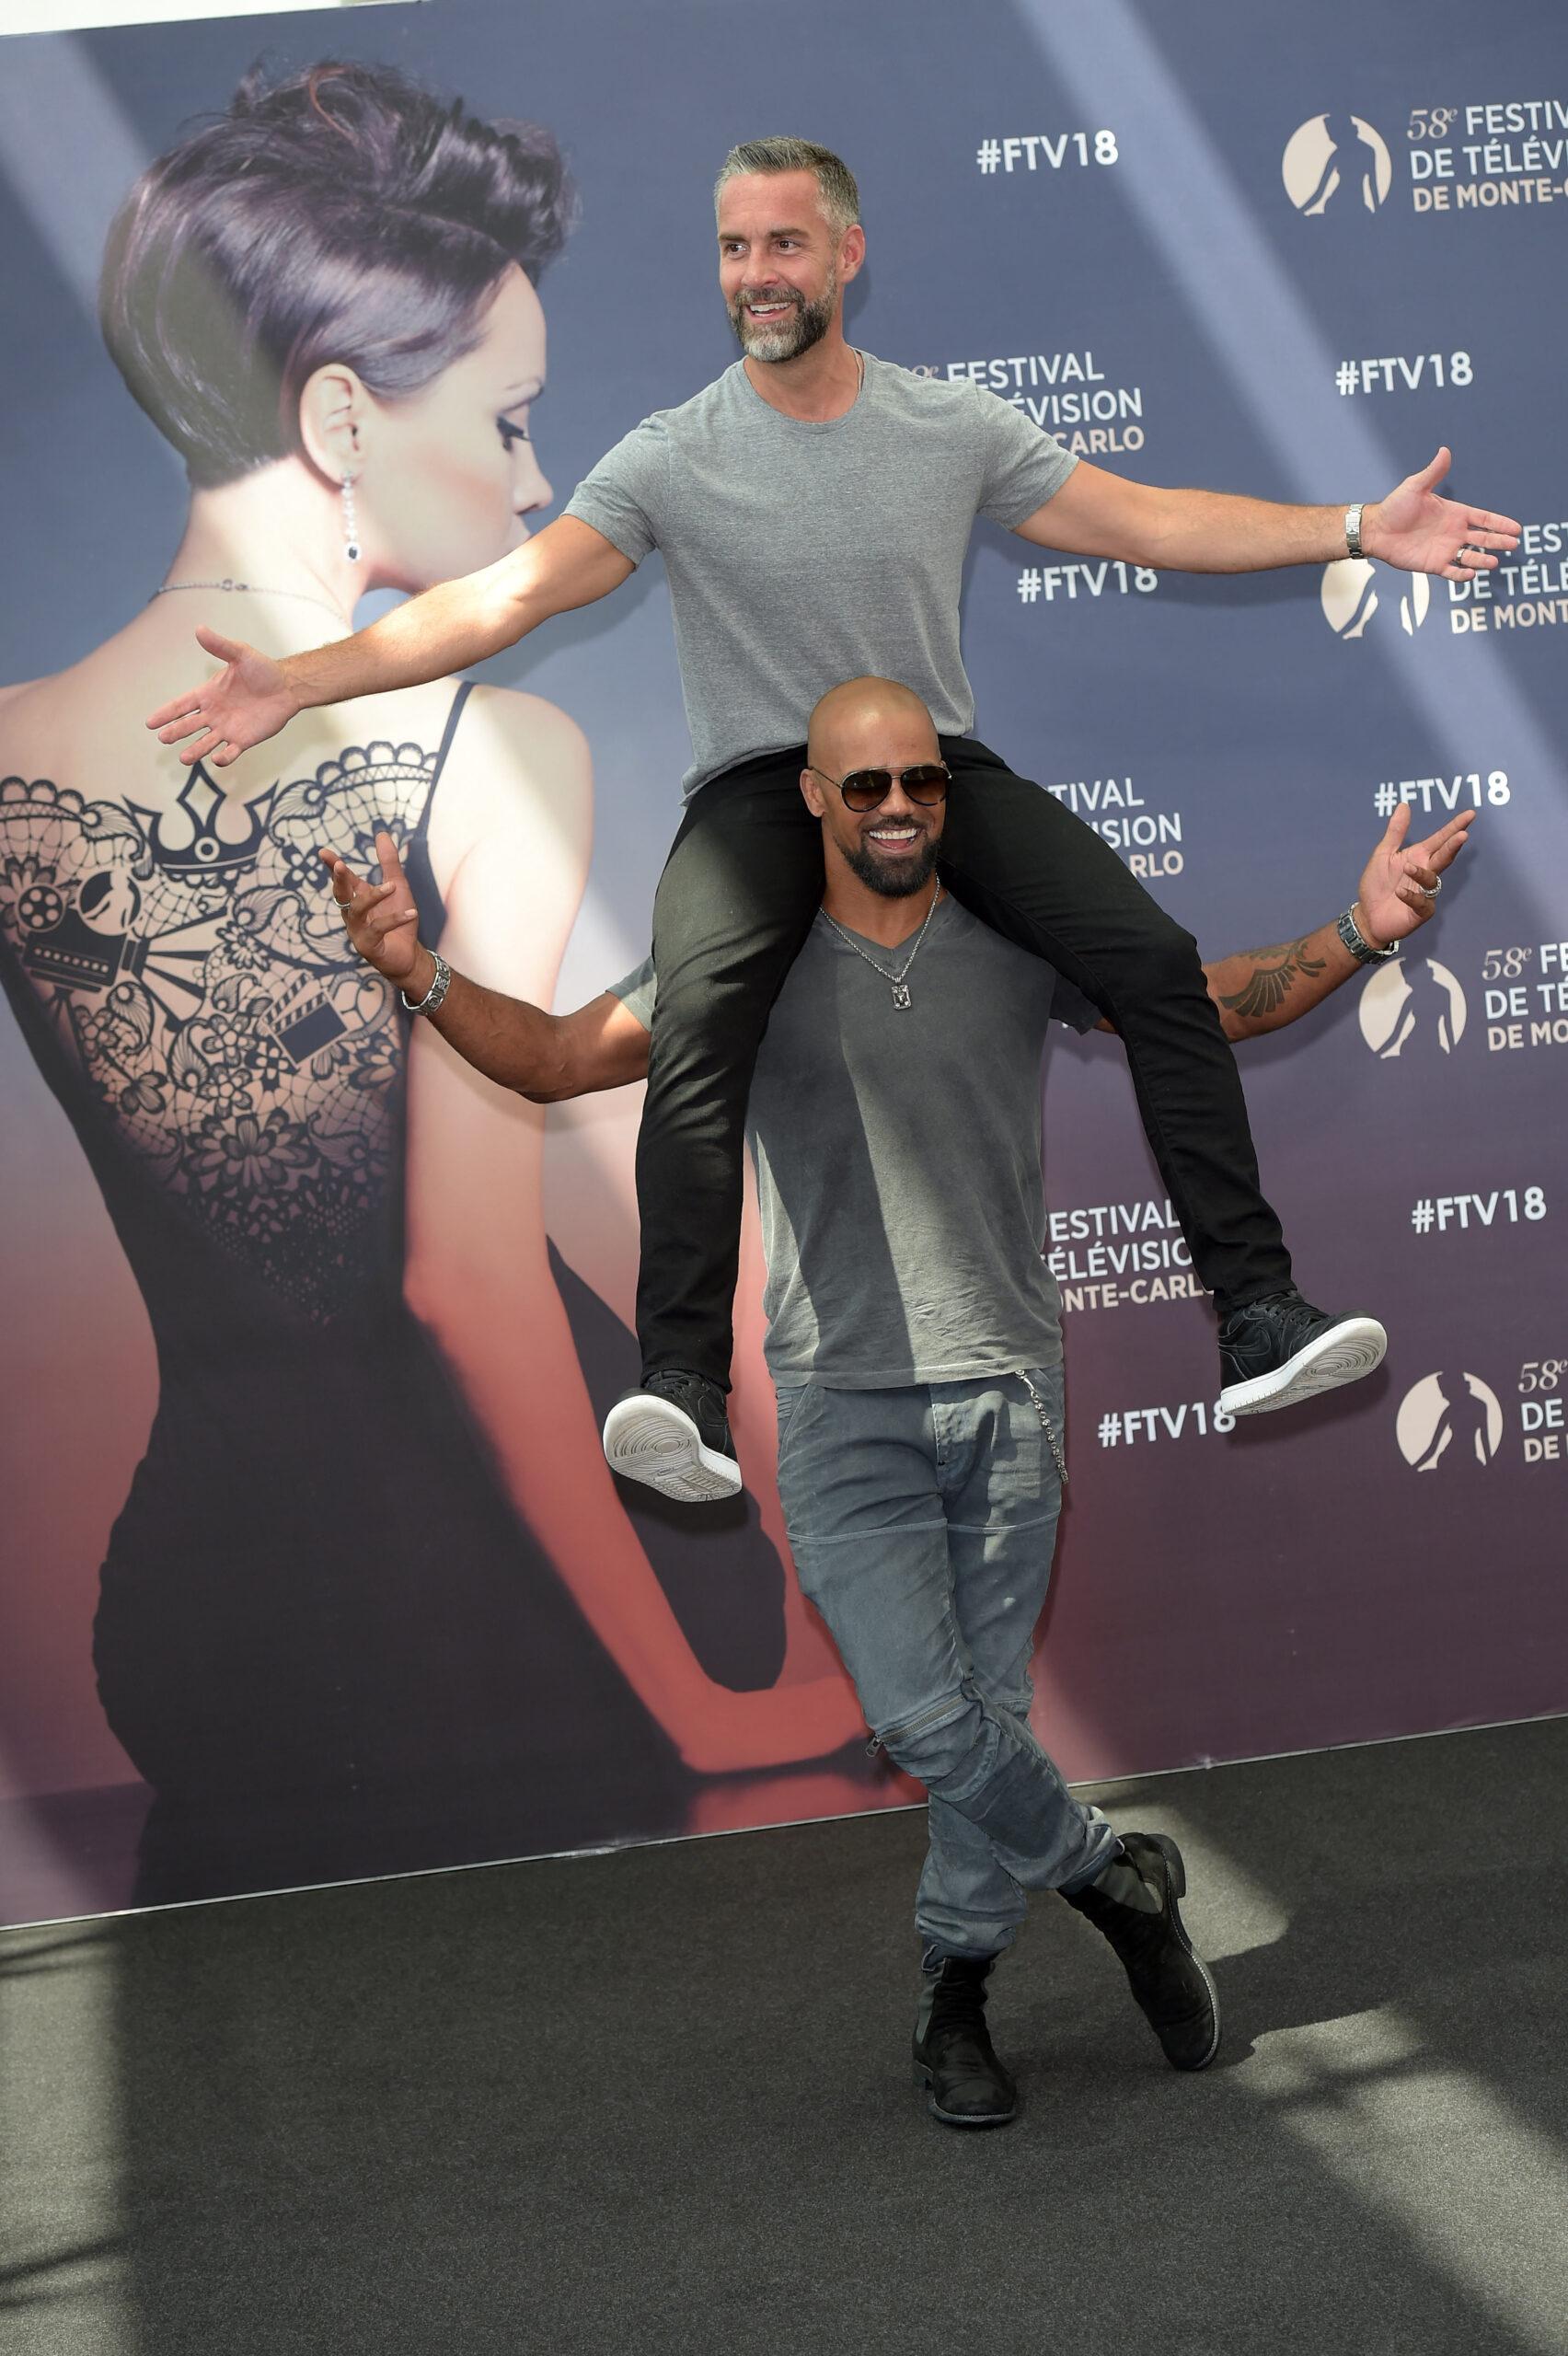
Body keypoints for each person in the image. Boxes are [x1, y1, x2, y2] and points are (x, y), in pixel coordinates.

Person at [151, 134, 1518, 1507]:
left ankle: (1259, 1312)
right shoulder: (673, 457)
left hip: (931, 767)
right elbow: (499, 601)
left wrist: (1354, 527)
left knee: (1155, 967)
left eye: (785, 245)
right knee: (700, 1013)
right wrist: (300, 674)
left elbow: (1147, 521)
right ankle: (681, 1383)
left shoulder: (950, 426)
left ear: (847, 254)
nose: (757, 274)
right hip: (762, 783)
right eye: (736, 248)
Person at [324, 672, 1472, 2124]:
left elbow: (1203, 1003)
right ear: (811, 795)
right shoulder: (739, 959)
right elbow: (554, 1060)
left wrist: (1360, 931)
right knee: (929, 1718)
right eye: (863, 786)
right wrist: (414, 974)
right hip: (840, 1398)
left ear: (952, 795)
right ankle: (1118, 1883)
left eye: (921, 784)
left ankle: (954, 1999)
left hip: (1007, 1387)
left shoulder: (1014, 940)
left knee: (980, 1715)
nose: (895, 809)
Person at [0, 65, 857, 1906]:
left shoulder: (10, 759)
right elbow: (471, 1282)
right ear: (335, 416)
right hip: (507, 1602)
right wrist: (711, 1699)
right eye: (516, 419)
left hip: (197, 1615)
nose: (543, 483)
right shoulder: (497, 744)